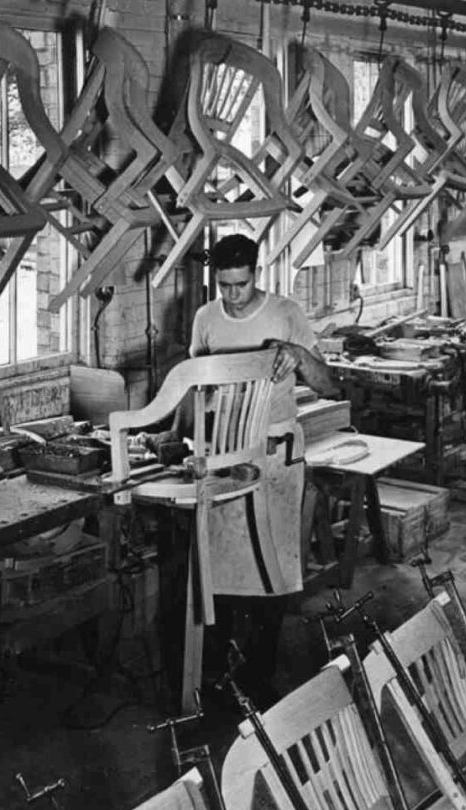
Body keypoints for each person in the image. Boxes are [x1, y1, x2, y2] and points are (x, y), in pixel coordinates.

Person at [187, 233, 336, 706]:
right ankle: (216, 671)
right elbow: (196, 386)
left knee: (272, 567)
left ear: (257, 274)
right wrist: (185, 436)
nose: (233, 295)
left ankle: (259, 674)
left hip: (274, 455)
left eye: (242, 284)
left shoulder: (285, 313)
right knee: (222, 566)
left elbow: (330, 384)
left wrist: (299, 357)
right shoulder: (205, 318)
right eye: (224, 286)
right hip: (224, 455)